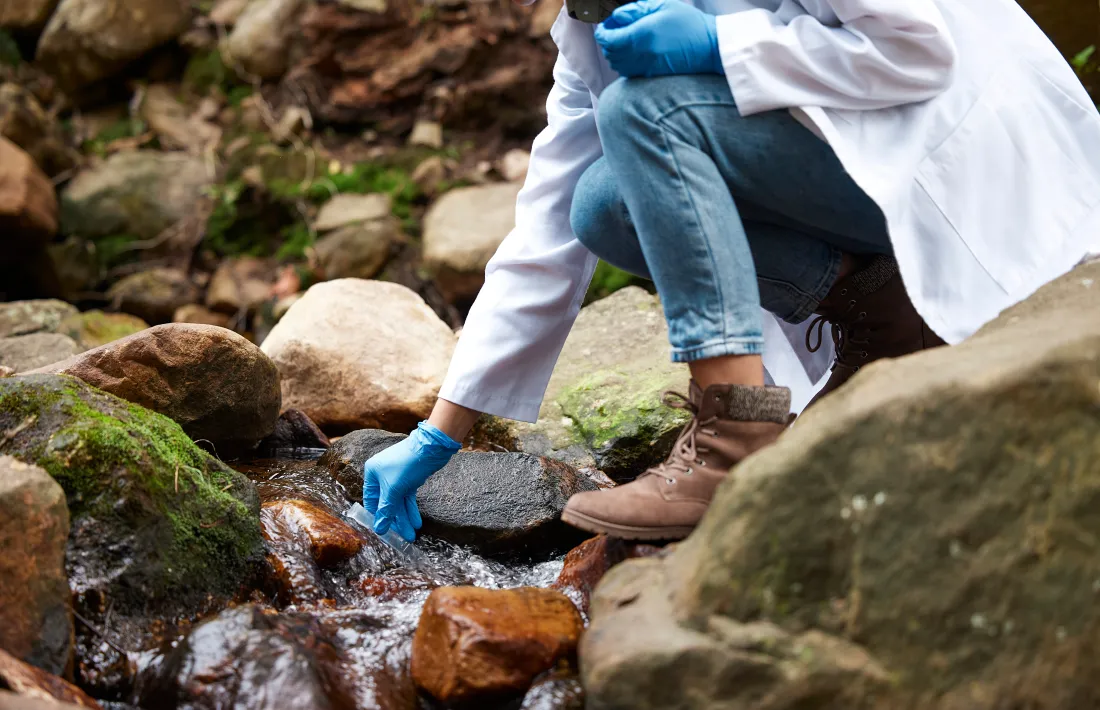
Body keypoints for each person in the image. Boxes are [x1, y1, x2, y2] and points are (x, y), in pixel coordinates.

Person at [362, 0, 1100, 543]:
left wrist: (721, 42)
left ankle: (735, 438)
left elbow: (916, 48)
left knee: (646, 113)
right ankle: (887, 313)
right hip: (872, 182)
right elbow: (548, 231)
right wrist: (440, 434)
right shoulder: (591, 21)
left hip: (973, 167)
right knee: (601, 204)